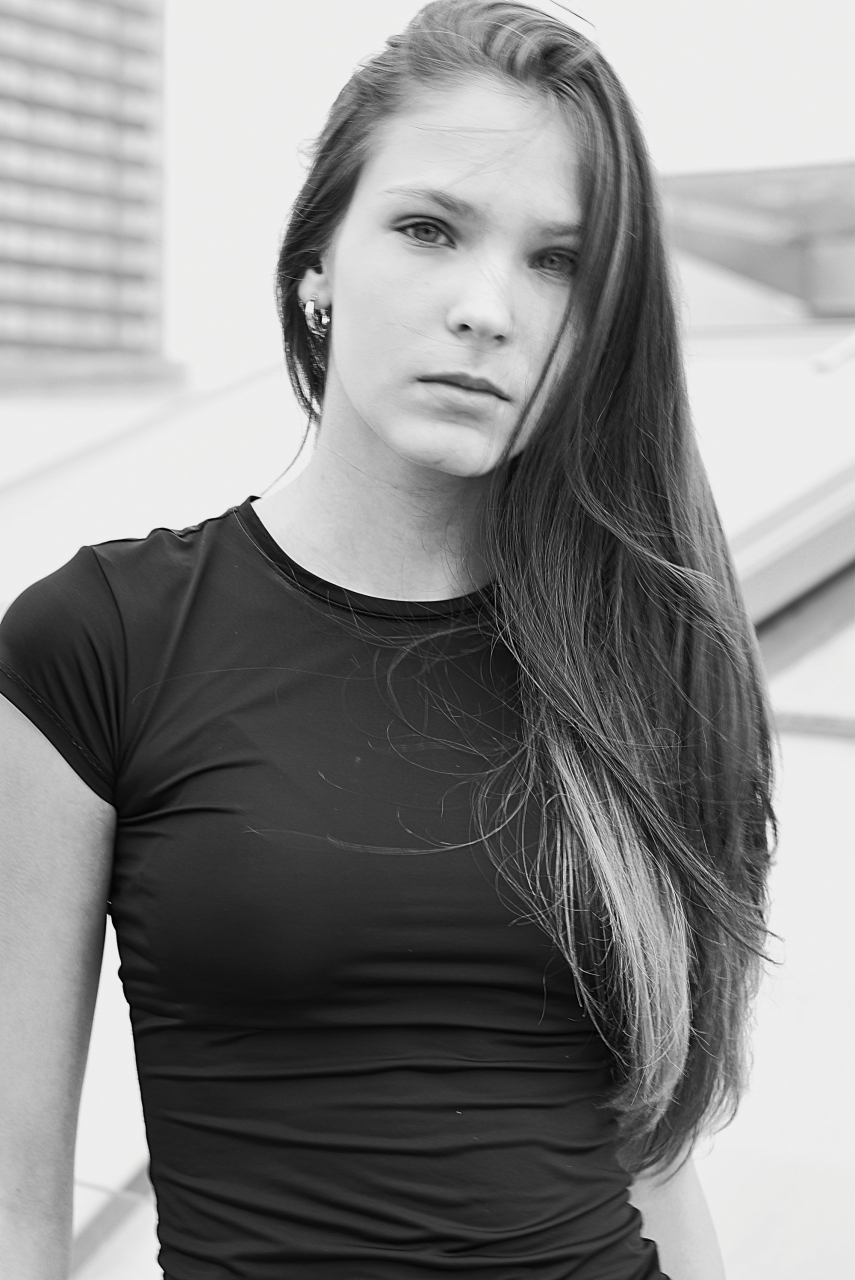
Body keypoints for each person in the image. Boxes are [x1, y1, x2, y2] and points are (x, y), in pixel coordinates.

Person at [0, 3, 774, 1277]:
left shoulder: (647, 657)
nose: (487, 308)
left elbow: (651, 1153)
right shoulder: (98, 642)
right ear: (318, 265)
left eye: (559, 261)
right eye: (428, 229)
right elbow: (16, 1200)